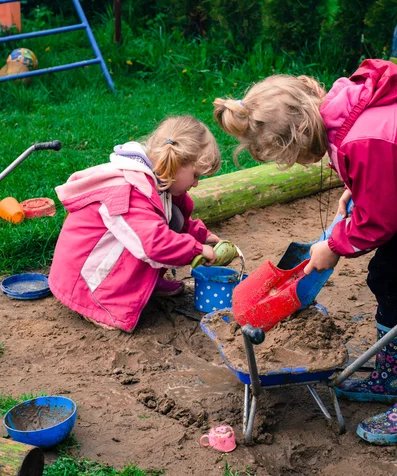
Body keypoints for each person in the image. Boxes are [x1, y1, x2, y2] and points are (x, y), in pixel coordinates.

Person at [213, 58, 397, 444]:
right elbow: (382, 173)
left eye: (289, 156)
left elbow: (380, 220)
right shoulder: (346, 110)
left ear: (300, 132)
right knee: (387, 277)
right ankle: (391, 374)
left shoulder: (361, 140)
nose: (292, 163)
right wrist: (360, 187)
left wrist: (333, 246)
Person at [49, 115, 220, 333]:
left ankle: (144, 284)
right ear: (176, 162)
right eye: (195, 175)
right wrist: (196, 249)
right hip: (86, 278)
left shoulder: (162, 182)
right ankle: (96, 303)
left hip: (109, 261)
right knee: (149, 236)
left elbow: (176, 220)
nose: (196, 183)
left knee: (170, 218)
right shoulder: (129, 191)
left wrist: (201, 235)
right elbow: (153, 243)